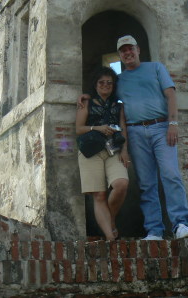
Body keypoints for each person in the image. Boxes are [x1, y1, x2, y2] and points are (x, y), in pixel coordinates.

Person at [79, 35, 188, 240]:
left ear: (138, 49)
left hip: (161, 127)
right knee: (146, 182)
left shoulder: (156, 68)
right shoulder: (119, 80)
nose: (127, 53)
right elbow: (104, 93)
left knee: (171, 175)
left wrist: (173, 124)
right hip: (134, 132)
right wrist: (87, 96)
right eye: (123, 51)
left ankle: (180, 225)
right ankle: (155, 230)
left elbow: (171, 95)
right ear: (120, 55)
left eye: (130, 48)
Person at [76, 66, 130, 241]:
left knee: (121, 184)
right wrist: (97, 128)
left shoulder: (118, 106)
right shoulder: (87, 103)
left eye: (109, 82)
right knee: (99, 195)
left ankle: (111, 217)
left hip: (113, 150)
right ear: (95, 84)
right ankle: (110, 237)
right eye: (101, 82)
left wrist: (125, 150)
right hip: (91, 152)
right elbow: (78, 129)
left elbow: (123, 130)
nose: (105, 85)